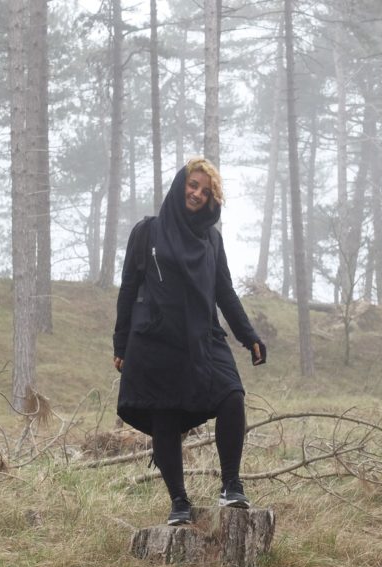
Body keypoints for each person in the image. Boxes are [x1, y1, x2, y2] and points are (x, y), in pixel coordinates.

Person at [113, 157, 267, 526]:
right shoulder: (147, 232)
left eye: (205, 190)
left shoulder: (212, 239)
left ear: (212, 199)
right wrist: (120, 345)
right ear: (180, 184)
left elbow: (224, 292)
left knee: (232, 394)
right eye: (192, 185)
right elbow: (129, 289)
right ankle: (179, 502)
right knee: (165, 413)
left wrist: (249, 336)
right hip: (157, 337)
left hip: (203, 336)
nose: (196, 193)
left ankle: (231, 485)